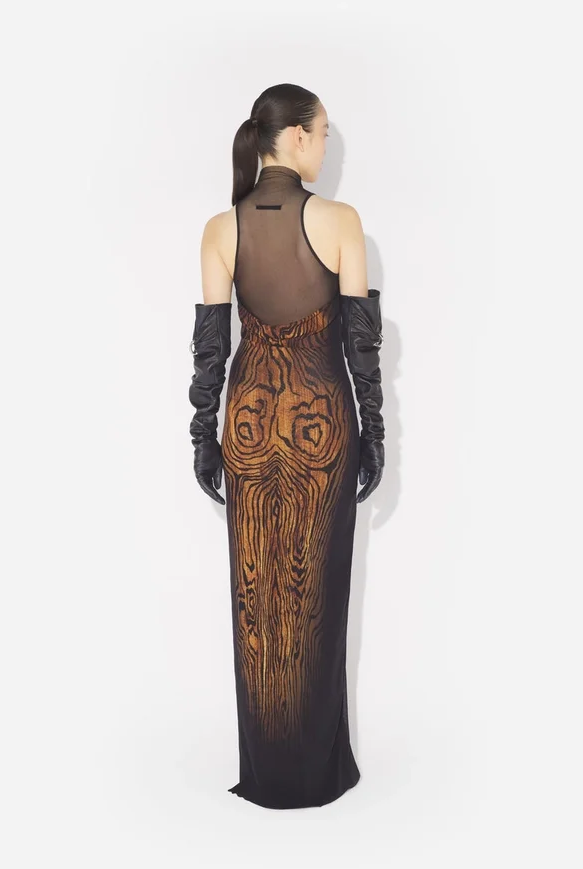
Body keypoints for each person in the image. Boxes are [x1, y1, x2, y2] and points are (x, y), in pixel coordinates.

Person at [188, 83, 385, 809]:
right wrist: (374, 432)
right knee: (318, 598)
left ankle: (269, 772)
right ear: (296, 137)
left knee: (256, 603)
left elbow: (211, 349)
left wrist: (203, 436)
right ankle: (316, 773)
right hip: (320, 427)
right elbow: (361, 346)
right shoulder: (340, 221)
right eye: (323, 133)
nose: (326, 146)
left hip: (247, 425)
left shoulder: (220, 228)